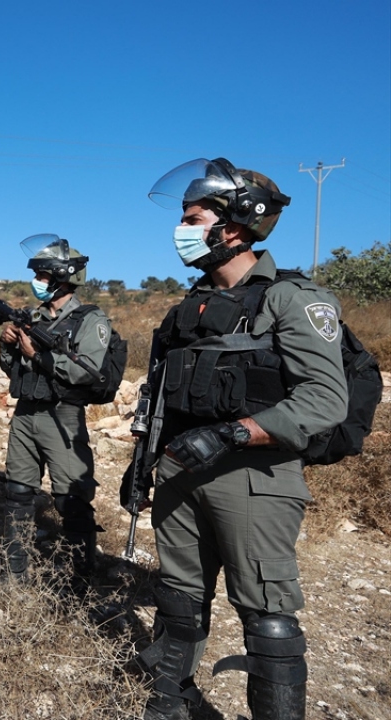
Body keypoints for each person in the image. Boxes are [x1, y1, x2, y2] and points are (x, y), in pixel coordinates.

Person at [135, 158, 346, 720]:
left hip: (252, 477)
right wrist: (144, 464)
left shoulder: (292, 298)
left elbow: (325, 400)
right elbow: (157, 397)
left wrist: (233, 434)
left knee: (266, 612)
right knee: (178, 599)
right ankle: (169, 703)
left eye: (192, 216)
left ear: (231, 227)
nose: (181, 229)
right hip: (180, 469)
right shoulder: (188, 307)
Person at [0, 235, 109, 587]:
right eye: (38, 275)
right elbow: (10, 368)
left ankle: (80, 580)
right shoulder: (31, 316)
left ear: (64, 278)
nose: (38, 283)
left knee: (69, 499)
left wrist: (37, 355)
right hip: (26, 413)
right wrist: (8, 345)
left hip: (63, 416)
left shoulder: (90, 320)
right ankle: (13, 573)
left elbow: (85, 370)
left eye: (45, 276)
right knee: (17, 492)